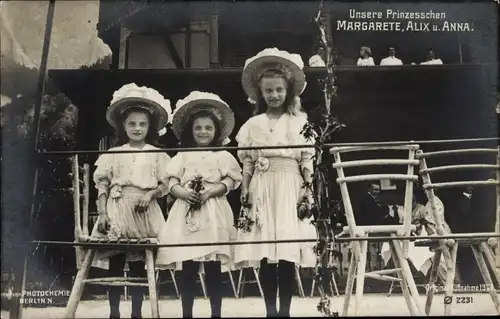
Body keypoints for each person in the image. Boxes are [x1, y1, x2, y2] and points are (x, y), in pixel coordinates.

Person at [234, 47, 317, 317]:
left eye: (279, 90)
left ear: (287, 91)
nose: (274, 95)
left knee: (286, 253)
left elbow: (306, 160)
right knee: (266, 252)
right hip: (262, 188)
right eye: (268, 91)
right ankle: (271, 311)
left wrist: (307, 189)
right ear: (260, 93)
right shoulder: (253, 124)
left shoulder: (299, 122)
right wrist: (245, 189)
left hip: (290, 187)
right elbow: (247, 162)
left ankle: (285, 311)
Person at [155, 91, 242, 318]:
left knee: (213, 267)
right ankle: (187, 313)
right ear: (191, 131)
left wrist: (211, 191)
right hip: (186, 213)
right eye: (198, 128)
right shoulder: (183, 156)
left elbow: (231, 180)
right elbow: (171, 180)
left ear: (216, 132)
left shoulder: (222, 156)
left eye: (208, 128)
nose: (203, 132)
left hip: (213, 212)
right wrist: (183, 193)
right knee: (188, 267)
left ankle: (216, 313)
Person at [91, 83, 172, 319]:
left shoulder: (157, 154)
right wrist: (104, 213)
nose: (137, 128)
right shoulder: (113, 154)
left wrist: (149, 195)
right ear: (123, 126)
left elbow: (166, 183)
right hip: (117, 209)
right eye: (132, 124)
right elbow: (102, 185)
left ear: (150, 127)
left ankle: (137, 312)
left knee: (138, 266)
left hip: (143, 211)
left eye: (142, 124)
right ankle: (114, 312)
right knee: (116, 264)